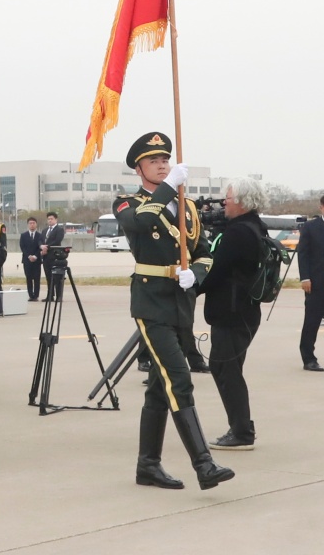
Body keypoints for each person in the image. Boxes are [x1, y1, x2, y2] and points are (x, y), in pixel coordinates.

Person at [114, 131, 232, 491]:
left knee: (158, 387)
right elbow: (140, 224)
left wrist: (194, 274)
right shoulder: (127, 203)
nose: (162, 165)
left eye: (166, 160)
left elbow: (204, 252)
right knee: (179, 378)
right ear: (139, 169)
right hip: (151, 303)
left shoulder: (187, 206)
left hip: (180, 302)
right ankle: (204, 465)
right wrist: (168, 188)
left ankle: (147, 466)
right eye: (153, 161)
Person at [196, 177, 269, 451]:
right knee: (227, 369)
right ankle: (241, 427)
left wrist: (192, 289)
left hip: (232, 313)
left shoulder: (238, 233)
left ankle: (242, 432)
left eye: (227, 198)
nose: (223, 203)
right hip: (243, 312)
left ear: (241, 201)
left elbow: (217, 271)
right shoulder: (254, 226)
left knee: (226, 370)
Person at [297, 195, 324, 371]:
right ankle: (308, 358)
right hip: (316, 283)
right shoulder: (310, 227)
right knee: (312, 321)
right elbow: (303, 254)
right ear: (321, 207)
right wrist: (305, 278)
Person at [41, 211, 65, 301]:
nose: (50, 220)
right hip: (46, 257)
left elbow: (57, 240)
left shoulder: (59, 230)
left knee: (57, 277)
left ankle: (59, 296)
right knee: (48, 277)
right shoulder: (44, 230)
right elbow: (41, 240)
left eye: (51, 219)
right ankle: (50, 295)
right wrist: (42, 247)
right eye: (48, 219)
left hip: (55, 256)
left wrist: (47, 247)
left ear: (56, 219)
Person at [20, 217, 43, 301]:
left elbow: (40, 247)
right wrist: (29, 256)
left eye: (33, 223)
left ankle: (36, 295)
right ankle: (30, 295)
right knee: (28, 278)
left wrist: (35, 256)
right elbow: (22, 247)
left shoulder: (40, 235)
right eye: (30, 223)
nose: (32, 225)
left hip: (37, 260)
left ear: (36, 224)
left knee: (37, 278)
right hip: (27, 260)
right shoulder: (23, 235)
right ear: (28, 225)